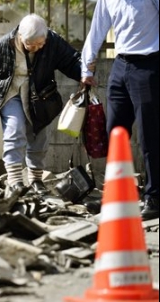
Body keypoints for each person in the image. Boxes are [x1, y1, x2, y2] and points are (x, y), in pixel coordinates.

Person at [0, 13, 81, 198]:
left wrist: (85, 74)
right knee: (14, 130)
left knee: (39, 135)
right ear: (20, 36)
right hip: (11, 93)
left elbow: (71, 60)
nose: (38, 47)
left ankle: (35, 179)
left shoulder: (52, 41)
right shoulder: (3, 45)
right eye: (32, 44)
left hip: (39, 95)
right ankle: (15, 180)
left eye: (41, 44)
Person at [81, 0, 159, 221]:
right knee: (115, 132)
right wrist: (86, 67)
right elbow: (98, 28)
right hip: (120, 65)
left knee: (148, 135)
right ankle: (117, 195)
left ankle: (154, 197)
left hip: (149, 64)